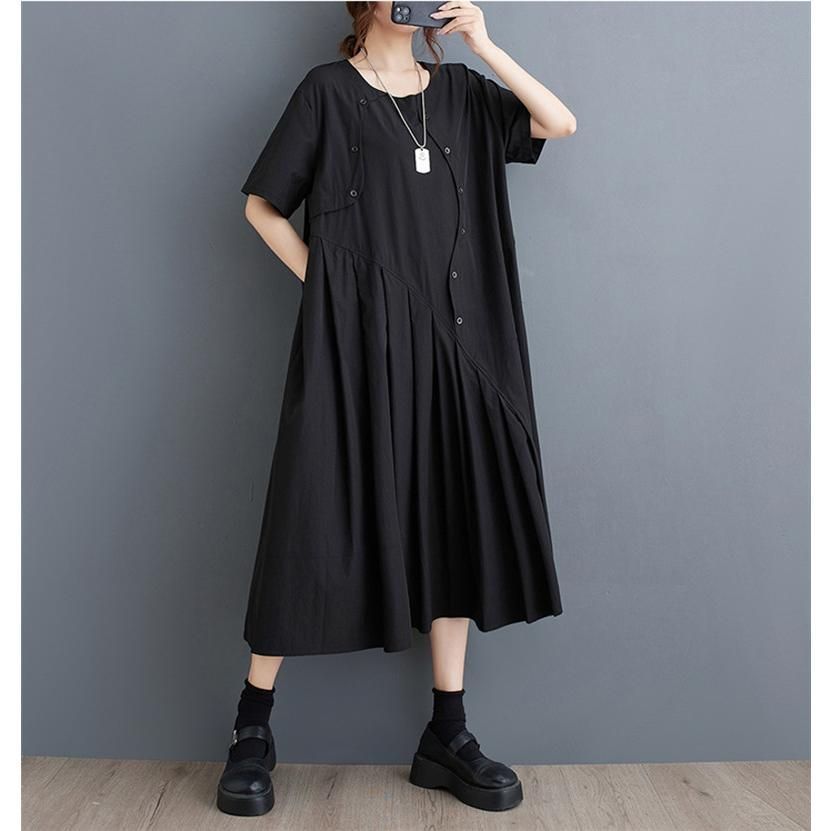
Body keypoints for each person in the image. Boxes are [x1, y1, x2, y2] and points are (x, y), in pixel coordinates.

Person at [217, 0, 577, 816]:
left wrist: (483, 44)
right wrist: (331, 293)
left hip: (461, 349)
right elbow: (260, 206)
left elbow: (557, 122)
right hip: (357, 350)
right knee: (313, 516)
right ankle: (251, 727)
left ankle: (446, 733)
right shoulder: (326, 91)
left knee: (453, 519)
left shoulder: (463, 93)